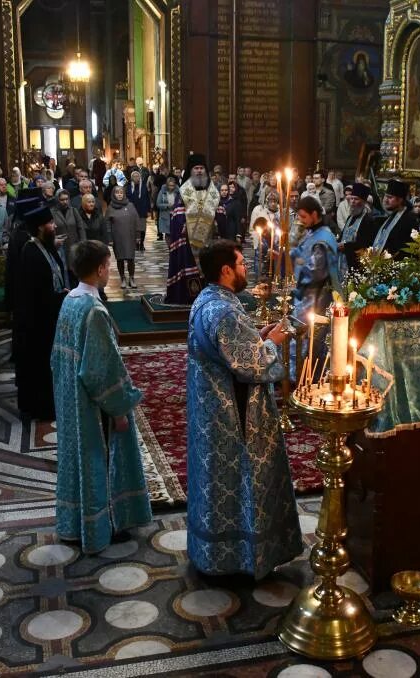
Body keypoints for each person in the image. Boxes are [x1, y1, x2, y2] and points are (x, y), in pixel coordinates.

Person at [186, 240, 302, 579]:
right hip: (232, 415)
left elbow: (231, 348)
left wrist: (258, 334)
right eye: (240, 263)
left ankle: (213, 554)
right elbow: (252, 365)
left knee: (217, 481)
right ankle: (238, 558)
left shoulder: (207, 299)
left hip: (212, 409)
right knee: (238, 479)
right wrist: (273, 341)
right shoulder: (224, 310)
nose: (245, 268)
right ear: (225, 271)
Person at [51, 240, 152, 553]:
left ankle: (74, 524)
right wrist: (119, 408)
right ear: (99, 268)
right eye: (109, 265)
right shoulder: (94, 311)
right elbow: (100, 371)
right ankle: (101, 525)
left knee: (76, 459)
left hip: (70, 396)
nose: (110, 271)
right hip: (91, 406)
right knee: (100, 459)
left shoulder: (70, 300)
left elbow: (57, 356)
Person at [13, 204, 69, 421]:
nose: (54, 226)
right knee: (40, 368)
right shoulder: (31, 253)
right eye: (50, 223)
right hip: (36, 324)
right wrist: (60, 296)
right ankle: (41, 409)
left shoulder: (43, 247)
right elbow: (35, 294)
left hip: (47, 318)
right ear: (39, 228)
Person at [166, 154, 220, 304]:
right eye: (196, 168)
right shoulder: (184, 190)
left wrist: (216, 222)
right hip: (188, 241)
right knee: (191, 270)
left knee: (209, 268)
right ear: (190, 171)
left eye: (202, 168)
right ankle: (188, 299)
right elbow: (177, 215)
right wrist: (184, 225)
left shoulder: (213, 191)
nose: (199, 171)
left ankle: (210, 299)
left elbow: (219, 211)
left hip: (209, 240)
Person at [291, 196, 340, 324]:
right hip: (304, 293)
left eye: (303, 216)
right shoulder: (312, 232)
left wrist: (300, 264)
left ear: (314, 214)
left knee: (308, 336)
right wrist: (285, 254)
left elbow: (316, 272)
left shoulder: (324, 238)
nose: (301, 221)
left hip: (315, 297)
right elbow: (301, 251)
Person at [344, 179, 417, 259]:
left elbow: (408, 249)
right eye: (385, 196)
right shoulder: (391, 216)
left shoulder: (409, 220)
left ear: (400, 200)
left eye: (390, 197)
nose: (385, 200)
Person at [107, 184, 142, 289]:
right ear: (113, 194)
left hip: (130, 236)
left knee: (131, 258)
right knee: (120, 259)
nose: (119, 194)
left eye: (121, 192)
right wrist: (109, 238)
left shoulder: (130, 205)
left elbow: (137, 220)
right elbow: (107, 224)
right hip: (117, 237)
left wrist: (138, 235)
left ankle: (132, 278)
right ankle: (122, 278)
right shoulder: (110, 207)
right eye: (117, 193)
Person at [337, 183, 372, 274]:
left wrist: (346, 246)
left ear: (363, 201)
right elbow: (343, 235)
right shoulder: (350, 217)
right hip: (343, 259)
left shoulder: (368, 220)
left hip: (356, 263)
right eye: (351, 198)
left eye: (356, 199)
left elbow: (366, 243)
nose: (352, 201)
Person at [126, 170, 151, 251]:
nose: (136, 178)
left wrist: (148, 210)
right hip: (132, 210)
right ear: (132, 178)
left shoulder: (143, 186)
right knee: (134, 228)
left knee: (142, 228)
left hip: (142, 210)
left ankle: (142, 243)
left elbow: (147, 198)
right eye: (134, 176)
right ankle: (136, 244)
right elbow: (126, 199)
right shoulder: (129, 187)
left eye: (138, 176)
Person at [155, 175, 178, 242]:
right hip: (165, 215)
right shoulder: (162, 191)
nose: (171, 187)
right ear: (167, 185)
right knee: (168, 233)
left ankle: (174, 249)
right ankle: (170, 249)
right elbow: (158, 204)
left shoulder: (178, 191)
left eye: (173, 185)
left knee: (175, 233)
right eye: (170, 185)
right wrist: (167, 205)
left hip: (175, 215)